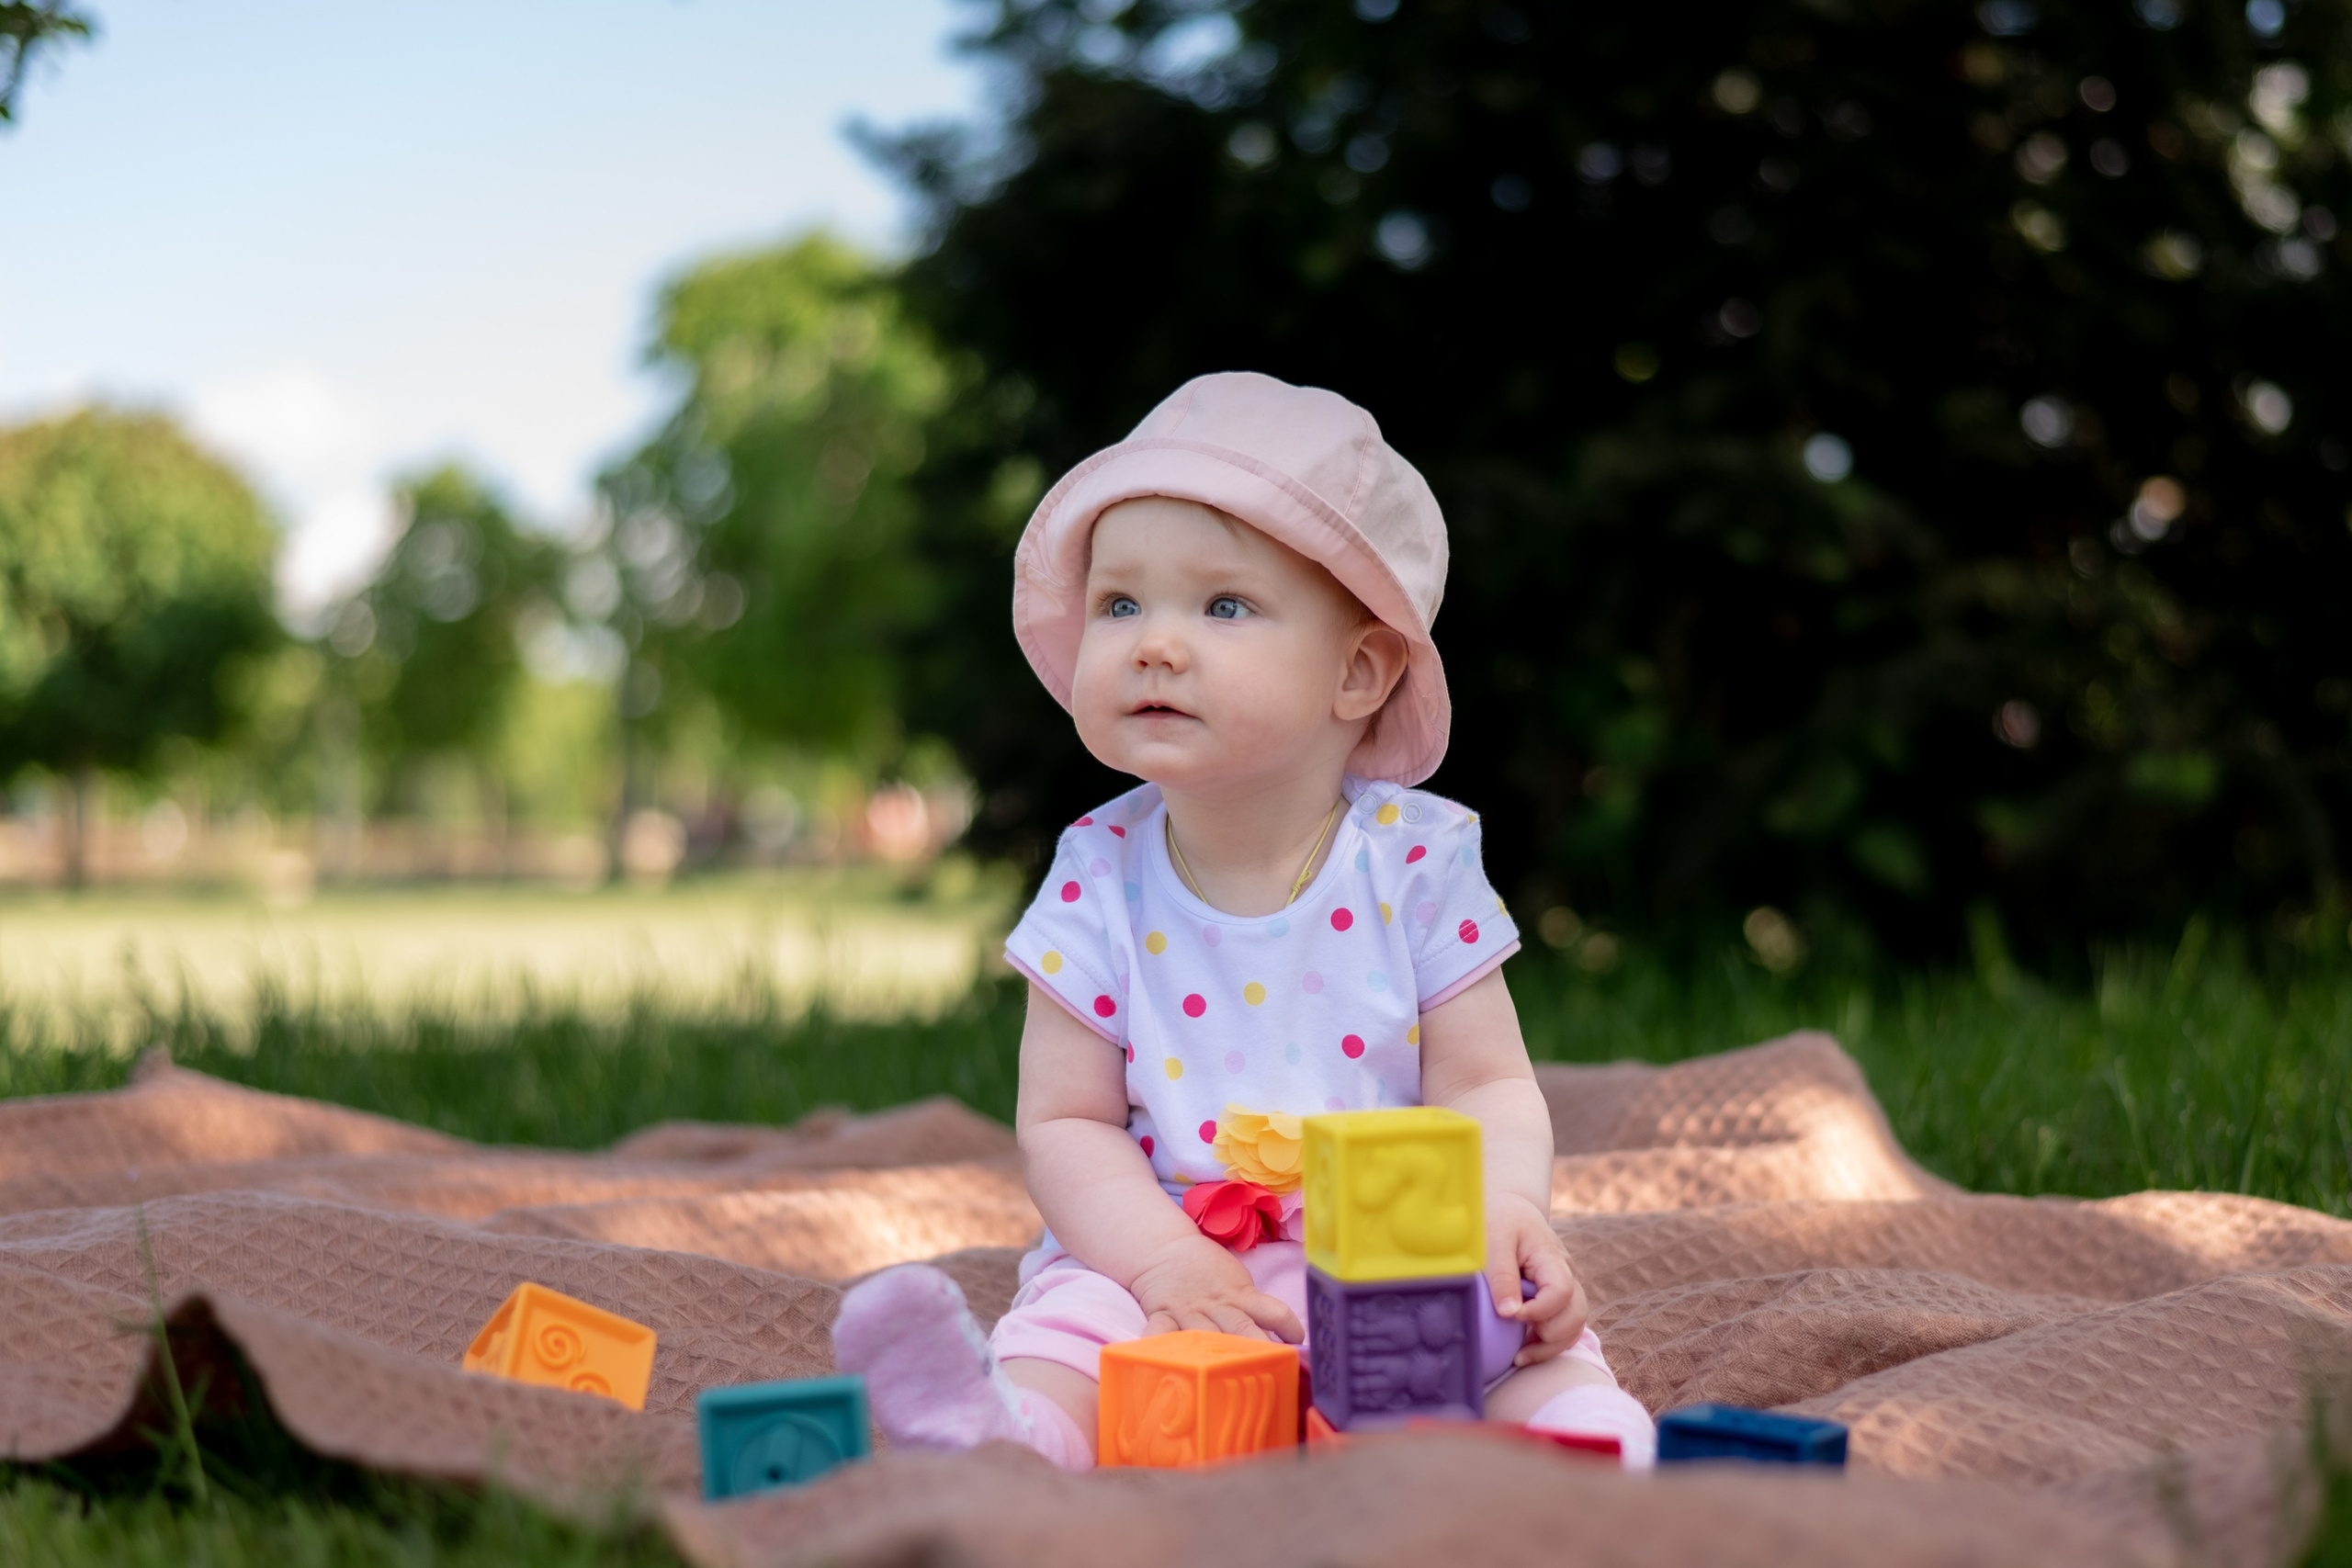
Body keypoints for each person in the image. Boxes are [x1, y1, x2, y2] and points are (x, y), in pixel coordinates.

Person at [833, 371, 1656, 1470]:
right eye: (1120, 604)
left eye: (1223, 606)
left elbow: (1487, 1085)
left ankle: (1584, 1455)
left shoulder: (1414, 863)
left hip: (1395, 1245)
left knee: (1525, 1346)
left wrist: (1508, 1210)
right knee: (1072, 1338)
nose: (1154, 643)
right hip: (1162, 1249)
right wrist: (1167, 1265)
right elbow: (1067, 1124)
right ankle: (999, 1434)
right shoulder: (1097, 874)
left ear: (1358, 672)